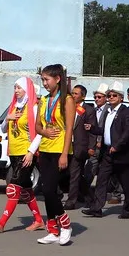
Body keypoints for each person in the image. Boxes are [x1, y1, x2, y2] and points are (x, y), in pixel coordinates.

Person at [0, 77, 45, 232]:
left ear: (27, 89)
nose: (16, 91)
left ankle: (2, 222)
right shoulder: (15, 107)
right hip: (13, 152)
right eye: (15, 88)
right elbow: (3, 129)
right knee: (26, 189)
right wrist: (7, 118)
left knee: (13, 187)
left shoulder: (33, 108)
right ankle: (39, 220)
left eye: (19, 88)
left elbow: (39, 132)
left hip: (26, 152)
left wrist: (31, 152)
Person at [83, 81, 129, 219]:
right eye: (109, 95)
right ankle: (96, 208)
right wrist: (93, 129)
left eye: (114, 95)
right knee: (102, 179)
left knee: (125, 182)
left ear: (121, 98)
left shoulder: (127, 113)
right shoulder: (109, 112)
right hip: (108, 152)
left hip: (121, 154)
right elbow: (106, 130)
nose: (111, 97)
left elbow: (127, 132)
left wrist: (117, 146)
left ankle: (128, 209)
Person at [34, 64, 75, 245]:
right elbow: (37, 126)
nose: (44, 83)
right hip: (45, 149)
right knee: (45, 190)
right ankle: (53, 230)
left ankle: (65, 224)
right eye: (42, 80)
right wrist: (44, 133)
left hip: (60, 150)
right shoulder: (43, 100)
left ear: (58, 79)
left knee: (51, 189)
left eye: (47, 80)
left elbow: (69, 129)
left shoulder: (67, 100)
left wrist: (65, 154)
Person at [63, 84, 94, 211]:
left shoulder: (88, 110)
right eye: (72, 93)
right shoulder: (67, 107)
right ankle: (89, 196)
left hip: (79, 146)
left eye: (76, 93)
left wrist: (91, 147)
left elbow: (91, 130)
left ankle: (71, 201)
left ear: (83, 96)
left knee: (75, 173)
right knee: (72, 173)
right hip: (66, 146)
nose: (73, 95)